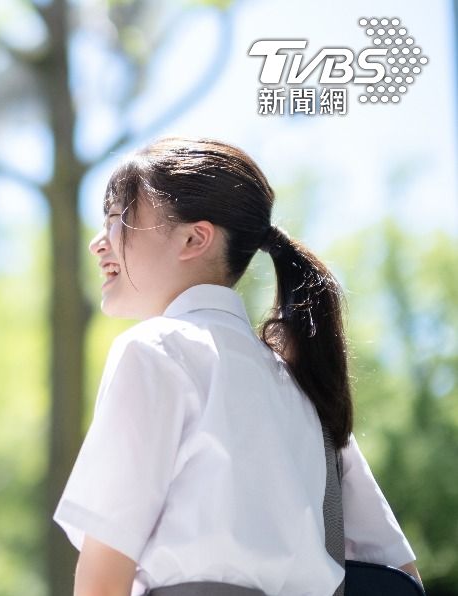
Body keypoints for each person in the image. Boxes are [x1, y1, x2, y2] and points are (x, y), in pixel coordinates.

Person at [53, 137, 420, 595]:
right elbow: (400, 577)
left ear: (194, 237)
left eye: (117, 219)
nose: (98, 242)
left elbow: (102, 578)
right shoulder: (308, 387)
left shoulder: (154, 351)